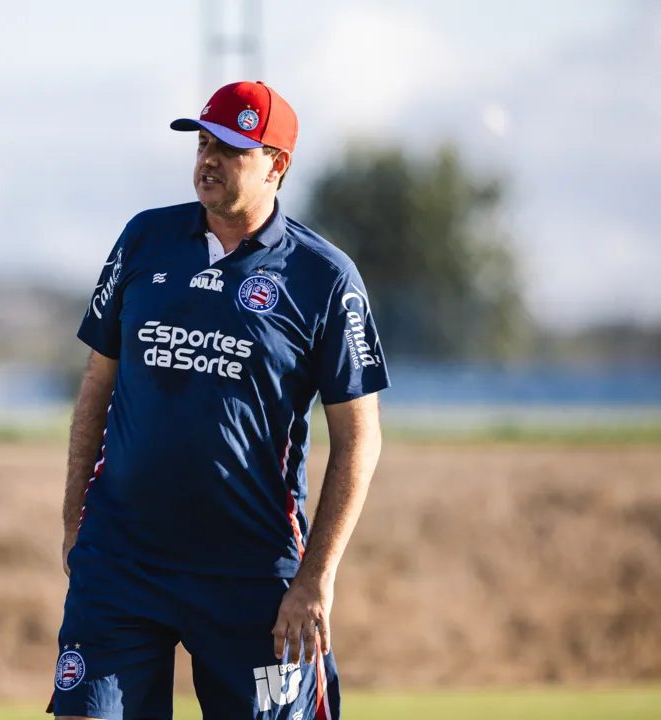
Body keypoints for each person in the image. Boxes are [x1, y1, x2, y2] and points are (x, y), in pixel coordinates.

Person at [47, 80, 389, 720]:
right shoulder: (144, 240)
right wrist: (75, 520)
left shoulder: (324, 276)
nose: (208, 159)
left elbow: (359, 437)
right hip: (122, 562)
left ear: (276, 165)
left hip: (251, 576)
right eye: (203, 143)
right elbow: (97, 386)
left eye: (231, 148)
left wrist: (315, 577)